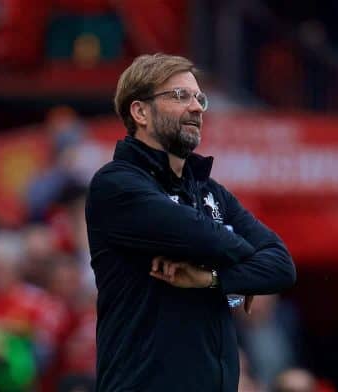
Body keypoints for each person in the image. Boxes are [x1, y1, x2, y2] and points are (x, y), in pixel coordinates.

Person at [85, 53, 297, 391]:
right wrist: (244, 266)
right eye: (180, 96)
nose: (197, 108)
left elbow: (282, 267)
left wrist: (211, 279)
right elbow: (208, 239)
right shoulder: (117, 185)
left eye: (199, 98)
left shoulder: (211, 191)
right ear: (140, 111)